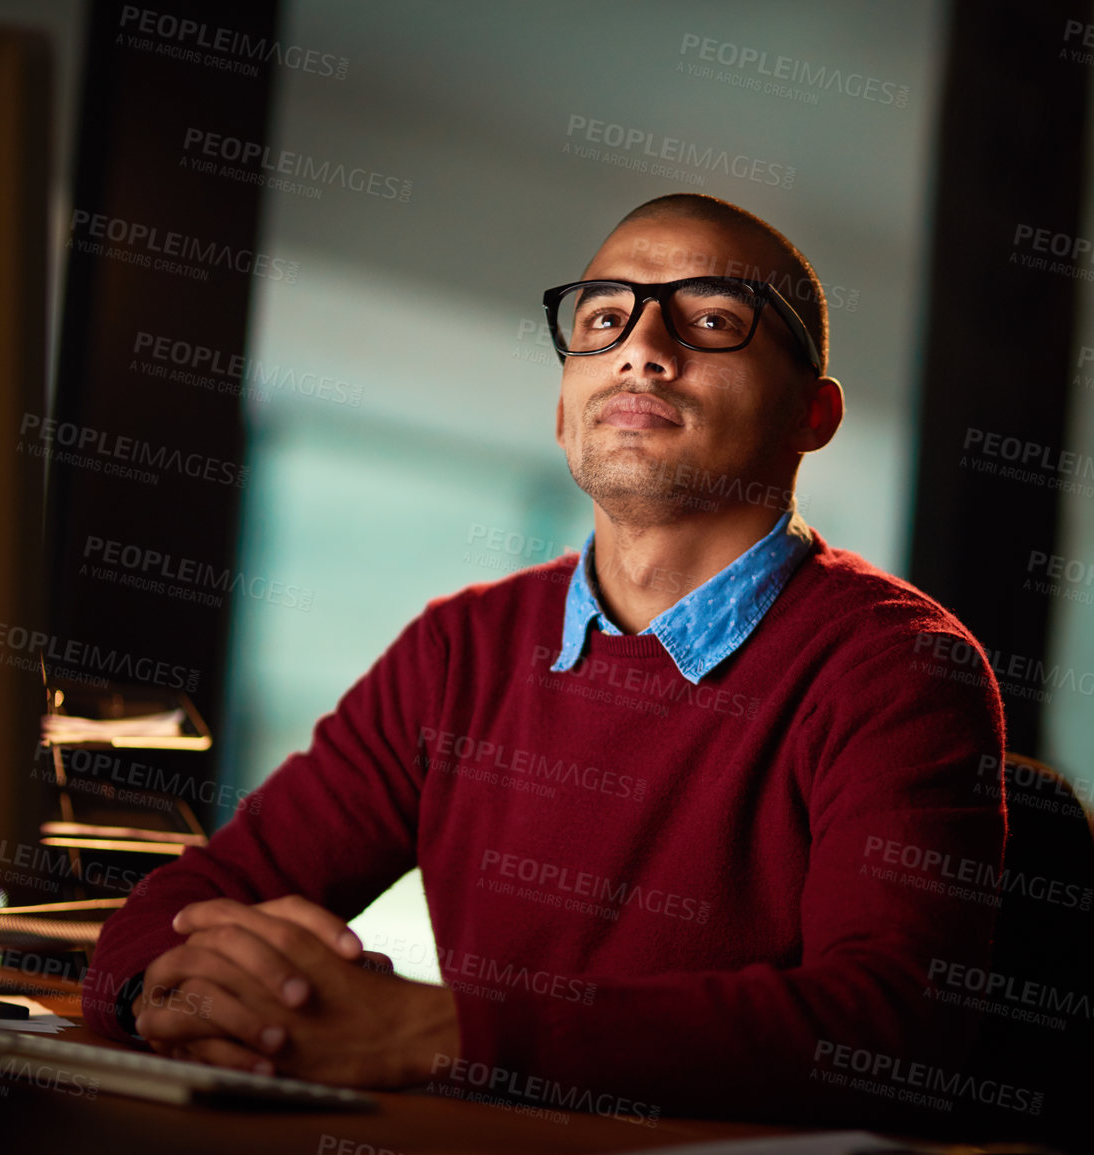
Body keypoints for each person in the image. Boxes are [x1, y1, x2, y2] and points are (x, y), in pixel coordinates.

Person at [82, 192, 1006, 1127]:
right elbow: (188, 902)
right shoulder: (458, 650)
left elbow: (893, 1025)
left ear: (813, 414)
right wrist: (179, 992)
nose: (642, 346)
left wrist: (432, 1034)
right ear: (565, 409)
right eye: (605, 318)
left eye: (714, 321)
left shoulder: (898, 667)